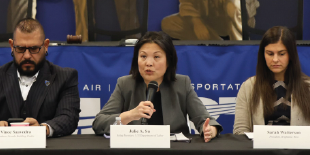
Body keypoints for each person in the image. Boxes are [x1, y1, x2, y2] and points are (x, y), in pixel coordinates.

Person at [92, 31, 222, 142]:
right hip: (135, 151)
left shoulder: (182, 84)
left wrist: (210, 129)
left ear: (168, 61)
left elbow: (204, 119)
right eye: (143, 56)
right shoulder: (125, 84)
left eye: (156, 57)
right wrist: (130, 115)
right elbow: (99, 123)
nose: (148, 63)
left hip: (174, 152)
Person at [0, 18, 80, 137]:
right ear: (12, 46)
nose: (27, 56)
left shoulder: (65, 77)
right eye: (21, 49)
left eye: (34, 49)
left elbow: (69, 118)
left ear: (46, 45)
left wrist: (42, 130)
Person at [233, 26, 310, 134]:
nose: (275, 59)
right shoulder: (248, 87)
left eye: (281, 54)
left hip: (299, 150)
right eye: (270, 54)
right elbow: (240, 131)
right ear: (263, 55)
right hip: (260, 150)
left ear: (291, 55)